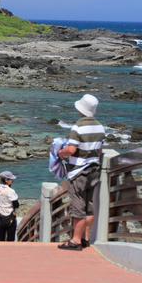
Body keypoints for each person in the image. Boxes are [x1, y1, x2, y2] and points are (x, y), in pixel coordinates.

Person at [57, 94, 106, 251]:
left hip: (79, 171)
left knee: (78, 204)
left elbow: (71, 149)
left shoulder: (78, 126)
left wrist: (60, 153)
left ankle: (76, 240)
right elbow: (99, 151)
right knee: (89, 205)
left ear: (81, 109)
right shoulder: (100, 127)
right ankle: (86, 237)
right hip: (94, 169)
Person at [0, 171, 19, 241]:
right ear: (6, 180)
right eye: (11, 179)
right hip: (9, 217)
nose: (12, 181)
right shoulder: (11, 191)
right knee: (11, 238)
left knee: (0, 238)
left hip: (0, 216)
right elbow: (16, 205)